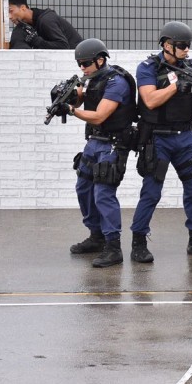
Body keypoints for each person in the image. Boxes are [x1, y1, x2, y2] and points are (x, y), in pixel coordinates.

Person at [129, 21, 192, 262]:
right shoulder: (147, 67)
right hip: (158, 138)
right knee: (151, 192)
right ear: (167, 45)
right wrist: (176, 86)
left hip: (185, 137)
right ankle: (138, 240)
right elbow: (149, 100)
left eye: (188, 45)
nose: (187, 50)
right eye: (182, 46)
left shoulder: (191, 66)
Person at [64, 38, 138, 268]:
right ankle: (96, 236)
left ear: (100, 60)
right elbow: (83, 97)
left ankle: (113, 246)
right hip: (94, 141)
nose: (82, 68)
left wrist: (71, 110)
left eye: (86, 63)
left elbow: (99, 116)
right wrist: (68, 95)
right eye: (79, 64)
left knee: (103, 194)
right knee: (83, 188)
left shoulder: (117, 82)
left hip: (113, 144)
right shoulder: (92, 79)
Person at [7, 0, 83, 49]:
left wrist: (38, 42)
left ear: (23, 8)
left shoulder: (46, 20)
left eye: (11, 11)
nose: (9, 17)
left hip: (76, 61)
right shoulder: (24, 26)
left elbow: (63, 46)